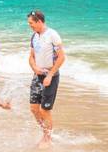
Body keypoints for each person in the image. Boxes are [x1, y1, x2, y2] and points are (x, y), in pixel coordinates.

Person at [27, 10, 66, 149]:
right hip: (37, 75)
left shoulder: (52, 35)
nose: (30, 26)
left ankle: (47, 138)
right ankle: (45, 132)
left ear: (39, 21)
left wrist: (50, 75)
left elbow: (62, 57)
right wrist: (34, 68)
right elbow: (31, 56)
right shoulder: (34, 36)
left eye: (31, 23)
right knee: (34, 108)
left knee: (44, 110)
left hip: (51, 76)